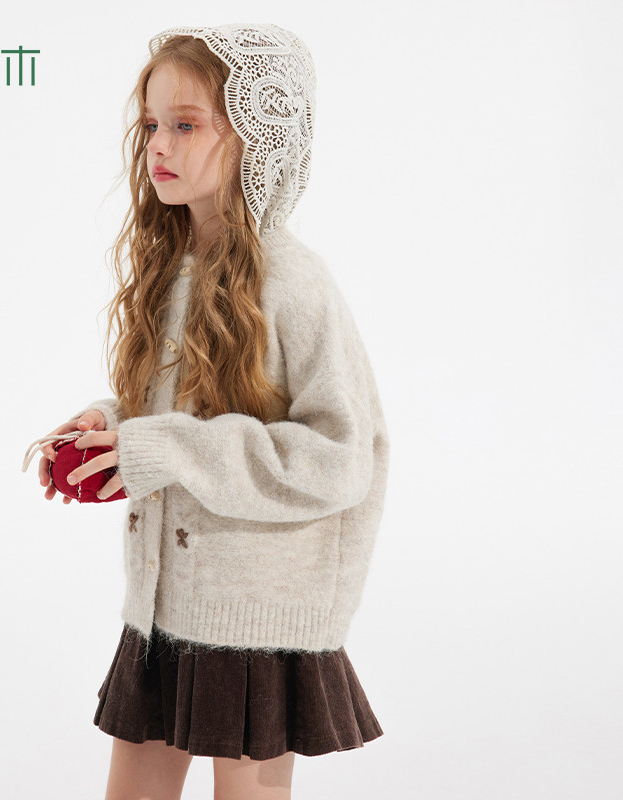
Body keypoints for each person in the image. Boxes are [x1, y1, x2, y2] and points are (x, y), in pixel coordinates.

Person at [23, 22, 390, 800]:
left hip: (258, 616)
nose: (159, 145)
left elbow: (339, 458)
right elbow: (176, 408)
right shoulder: (174, 267)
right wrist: (113, 425)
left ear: (256, 137)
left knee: (249, 793)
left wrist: (167, 447)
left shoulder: (295, 282)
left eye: (186, 125)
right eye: (152, 124)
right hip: (164, 610)